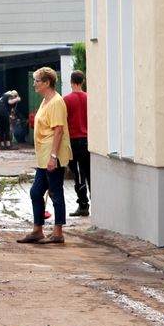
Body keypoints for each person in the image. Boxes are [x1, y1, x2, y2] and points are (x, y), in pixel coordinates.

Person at [18, 67, 72, 245]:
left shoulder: (56, 102)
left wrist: (53, 156)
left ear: (47, 83)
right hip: (43, 157)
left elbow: (58, 130)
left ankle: (58, 232)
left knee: (55, 192)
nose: (34, 84)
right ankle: (37, 230)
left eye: (37, 81)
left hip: (52, 156)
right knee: (35, 192)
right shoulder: (45, 101)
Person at [64, 70, 90, 217]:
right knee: (90, 172)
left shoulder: (67, 100)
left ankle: (83, 204)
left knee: (78, 173)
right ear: (83, 81)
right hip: (88, 139)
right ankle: (97, 203)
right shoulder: (88, 98)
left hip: (74, 140)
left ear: (71, 82)